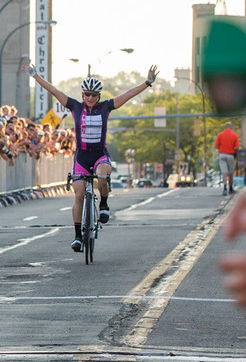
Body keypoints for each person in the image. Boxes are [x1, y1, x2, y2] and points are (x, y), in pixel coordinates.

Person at [29, 63, 159, 252]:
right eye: (87, 94)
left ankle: (104, 203)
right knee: (79, 194)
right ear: (83, 95)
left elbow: (128, 95)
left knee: (102, 177)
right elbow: (54, 91)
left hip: (99, 155)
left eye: (94, 95)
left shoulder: (106, 107)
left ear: (99, 96)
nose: (90, 98)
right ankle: (77, 236)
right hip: (81, 157)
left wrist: (147, 83)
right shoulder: (75, 106)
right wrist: (35, 76)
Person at [215, 122, 240, 195]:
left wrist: (222, 147)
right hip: (230, 155)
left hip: (222, 155)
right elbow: (237, 147)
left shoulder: (220, 135)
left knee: (224, 172)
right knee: (231, 173)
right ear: (231, 128)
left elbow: (216, 146)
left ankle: (225, 188)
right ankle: (231, 188)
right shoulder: (234, 135)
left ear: (225, 128)